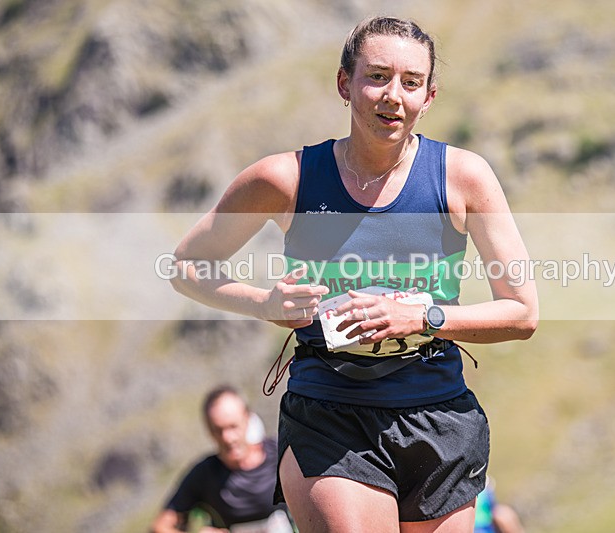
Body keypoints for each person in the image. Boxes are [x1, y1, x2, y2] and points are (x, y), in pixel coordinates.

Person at [169, 15, 538, 533]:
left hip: (440, 414)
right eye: (378, 76)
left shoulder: (464, 178)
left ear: (429, 97)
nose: (393, 95)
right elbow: (184, 266)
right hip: (330, 411)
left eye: (411, 83)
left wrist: (422, 316)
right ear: (345, 83)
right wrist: (264, 304)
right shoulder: (286, 178)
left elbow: (522, 313)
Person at [151, 385, 291, 533]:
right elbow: (159, 527)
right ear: (209, 430)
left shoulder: (281, 454)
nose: (227, 438)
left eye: (233, 427)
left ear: (248, 419)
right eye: (218, 430)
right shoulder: (205, 474)